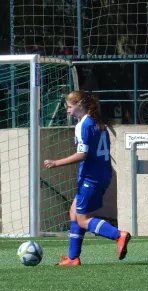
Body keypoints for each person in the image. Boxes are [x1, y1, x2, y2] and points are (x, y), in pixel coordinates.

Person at [44, 90, 131, 267]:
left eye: (69, 107)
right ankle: (73, 257)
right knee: (74, 214)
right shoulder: (98, 123)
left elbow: (82, 154)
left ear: (80, 105)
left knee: (83, 219)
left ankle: (118, 235)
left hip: (91, 177)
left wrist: (56, 163)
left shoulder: (83, 125)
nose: (67, 110)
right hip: (102, 174)